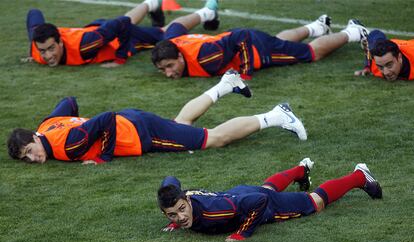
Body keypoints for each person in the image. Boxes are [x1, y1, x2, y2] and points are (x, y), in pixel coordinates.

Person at [7, 70, 307, 165]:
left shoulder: (67, 147)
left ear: (35, 138)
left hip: (140, 133)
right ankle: (225, 84)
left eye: (30, 151)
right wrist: (76, 121)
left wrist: (103, 157)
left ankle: (276, 116)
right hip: (134, 121)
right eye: (26, 158)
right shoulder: (46, 125)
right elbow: (68, 101)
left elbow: (106, 118)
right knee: (181, 126)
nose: (33, 158)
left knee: (212, 139)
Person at [157, 158, 382, 242]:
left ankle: (359, 175)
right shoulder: (175, 196)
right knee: (266, 188)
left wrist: (242, 232)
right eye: (173, 214)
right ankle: (300, 170)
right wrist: (174, 221)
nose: (181, 216)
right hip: (237, 193)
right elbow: (170, 180)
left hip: (257, 204)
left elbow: (257, 201)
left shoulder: (214, 211)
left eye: (182, 209)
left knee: (315, 203)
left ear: (186, 198)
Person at [151, 15, 369, 79]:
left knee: (310, 53)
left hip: (257, 50)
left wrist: (245, 74)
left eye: (169, 66)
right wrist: (202, 14)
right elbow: (177, 24)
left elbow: (241, 36)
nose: (168, 73)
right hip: (250, 41)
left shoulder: (205, 58)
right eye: (163, 70)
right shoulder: (169, 41)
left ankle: (353, 31)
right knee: (279, 41)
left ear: (180, 57)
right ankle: (317, 27)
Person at [25, 0, 219, 67]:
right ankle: (151, 3)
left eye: (51, 49)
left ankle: (207, 12)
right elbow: (33, 12)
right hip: (101, 30)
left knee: (165, 36)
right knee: (122, 21)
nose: (48, 55)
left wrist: (119, 59)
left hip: (116, 37)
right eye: (43, 51)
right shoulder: (37, 42)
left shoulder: (85, 45)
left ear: (60, 43)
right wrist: (31, 53)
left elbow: (123, 23)